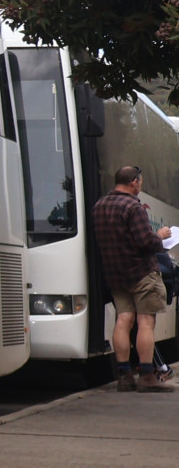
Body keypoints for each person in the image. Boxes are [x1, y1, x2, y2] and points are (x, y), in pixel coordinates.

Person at [89, 166, 177, 393]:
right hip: (141, 273)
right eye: (141, 182)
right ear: (134, 182)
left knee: (123, 320)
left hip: (115, 274)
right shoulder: (133, 206)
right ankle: (147, 375)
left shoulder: (99, 206)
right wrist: (160, 236)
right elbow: (146, 242)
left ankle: (124, 375)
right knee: (146, 323)